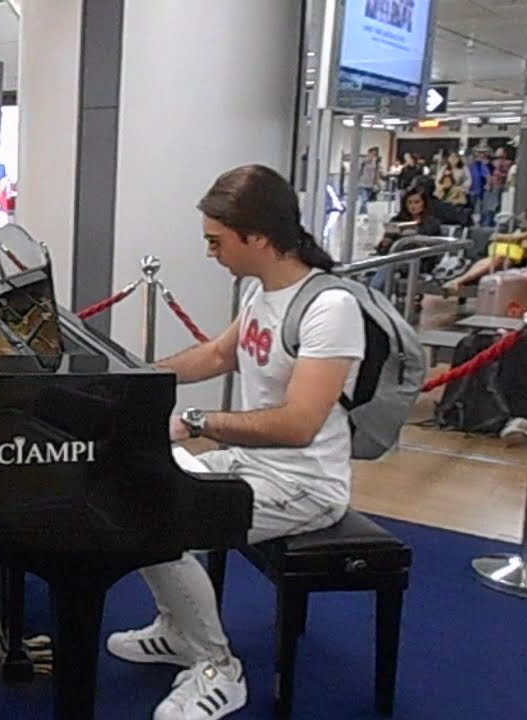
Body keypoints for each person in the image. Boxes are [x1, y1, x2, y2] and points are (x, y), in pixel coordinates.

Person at [106, 164, 363, 720]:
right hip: (253, 466)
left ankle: (219, 669)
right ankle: (179, 630)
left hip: (306, 486)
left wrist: (196, 421)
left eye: (216, 241)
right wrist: (138, 380)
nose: (210, 253)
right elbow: (220, 354)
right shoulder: (258, 289)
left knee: (157, 514)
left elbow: (299, 425)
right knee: (131, 486)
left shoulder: (331, 308)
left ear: (259, 238)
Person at [442, 198, 527, 295]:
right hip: (502, 260)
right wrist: (524, 235)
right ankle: (458, 281)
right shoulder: (517, 225)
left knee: (501, 259)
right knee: (498, 258)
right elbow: (494, 237)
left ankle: (459, 281)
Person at [356, 147, 381, 213]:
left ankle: (362, 211)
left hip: (371, 184)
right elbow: (358, 171)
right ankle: (363, 213)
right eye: (372, 153)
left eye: (375, 154)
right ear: (368, 153)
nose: (373, 155)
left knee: (366, 199)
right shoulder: (363, 161)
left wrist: (377, 183)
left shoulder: (376, 162)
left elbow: (376, 172)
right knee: (364, 199)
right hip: (363, 182)